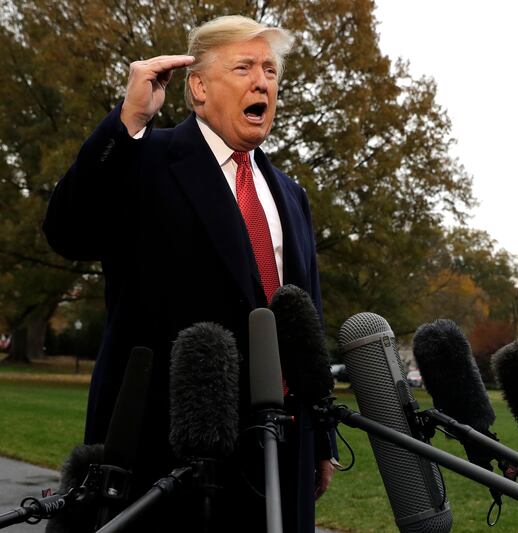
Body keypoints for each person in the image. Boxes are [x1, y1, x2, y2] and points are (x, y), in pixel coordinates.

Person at [43, 15, 333, 531]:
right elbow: (68, 231)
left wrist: (321, 439)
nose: (261, 80)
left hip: (282, 451)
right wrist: (127, 120)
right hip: (168, 460)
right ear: (198, 86)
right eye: (243, 67)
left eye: (269, 69)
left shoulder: (291, 194)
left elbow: (305, 322)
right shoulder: (143, 158)